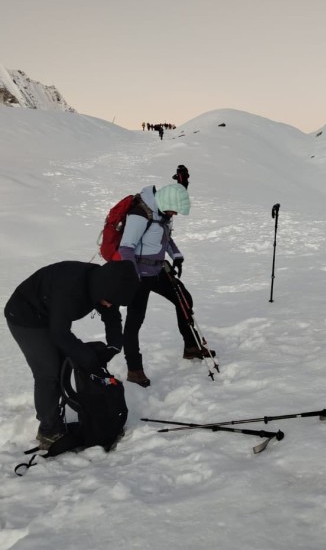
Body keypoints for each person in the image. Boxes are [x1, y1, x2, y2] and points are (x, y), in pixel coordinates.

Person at [4, 259, 139, 447]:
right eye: (109, 302)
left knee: (64, 362)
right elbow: (60, 334)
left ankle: (56, 413)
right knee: (48, 371)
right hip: (25, 315)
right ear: (102, 290)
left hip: (50, 312)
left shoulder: (104, 284)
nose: (109, 306)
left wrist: (114, 346)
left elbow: (112, 315)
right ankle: (48, 430)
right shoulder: (70, 289)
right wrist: (88, 358)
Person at [115, 181, 214, 387]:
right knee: (135, 321)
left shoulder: (163, 215)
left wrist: (176, 256)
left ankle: (191, 347)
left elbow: (166, 240)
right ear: (165, 202)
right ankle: (134, 369)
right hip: (139, 275)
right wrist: (133, 276)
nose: (175, 215)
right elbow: (126, 248)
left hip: (158, 270)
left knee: (184, 299)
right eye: (174, 210)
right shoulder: (140, 214)